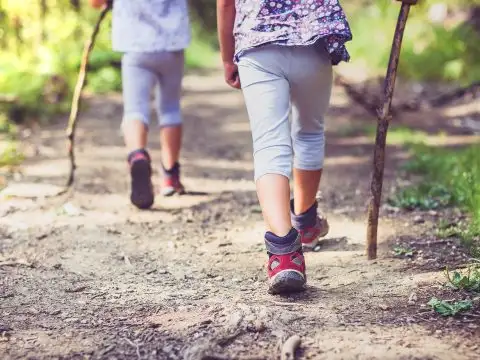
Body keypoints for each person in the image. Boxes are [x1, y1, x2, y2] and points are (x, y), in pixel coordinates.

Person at [217, 0, 352, 294]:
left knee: (269, 144)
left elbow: (226, 2)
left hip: (257, 43)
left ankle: (284, 254)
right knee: (309, 131)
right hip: (312, 39)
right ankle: (304, 222)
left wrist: (228, 57)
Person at [89, 0, 190, 209]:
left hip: (135, 43)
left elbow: (95, 2)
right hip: (172, 42)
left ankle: (137, 155)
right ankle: (170, 176)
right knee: (170, 108)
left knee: (135, 109)